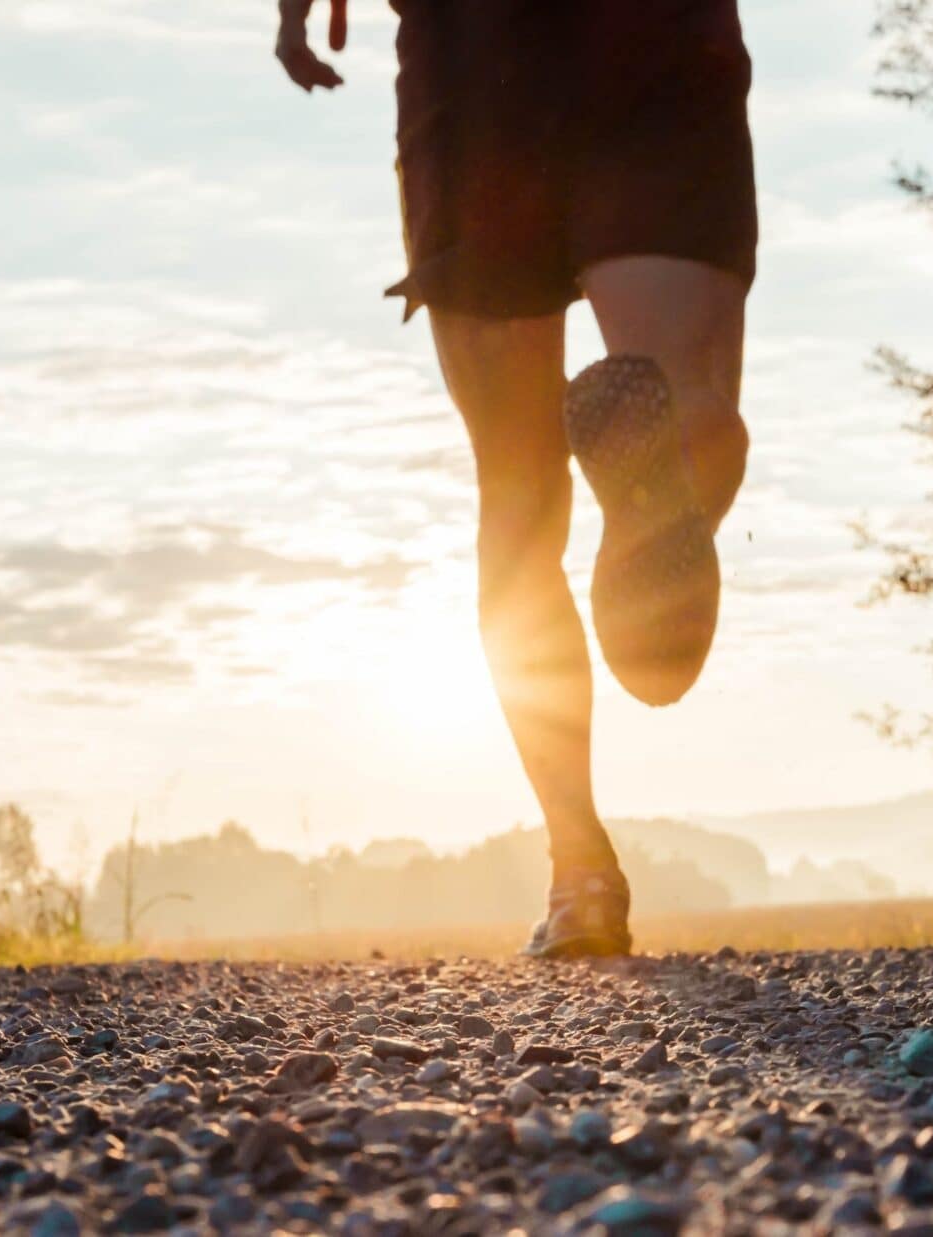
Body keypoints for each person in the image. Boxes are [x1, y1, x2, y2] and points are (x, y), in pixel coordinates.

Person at [276, 0, 757, 957]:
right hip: (650, 36)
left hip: (473, 52)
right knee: (686, 397)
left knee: (519, 490)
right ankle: (659, 483)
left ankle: (580, 868)